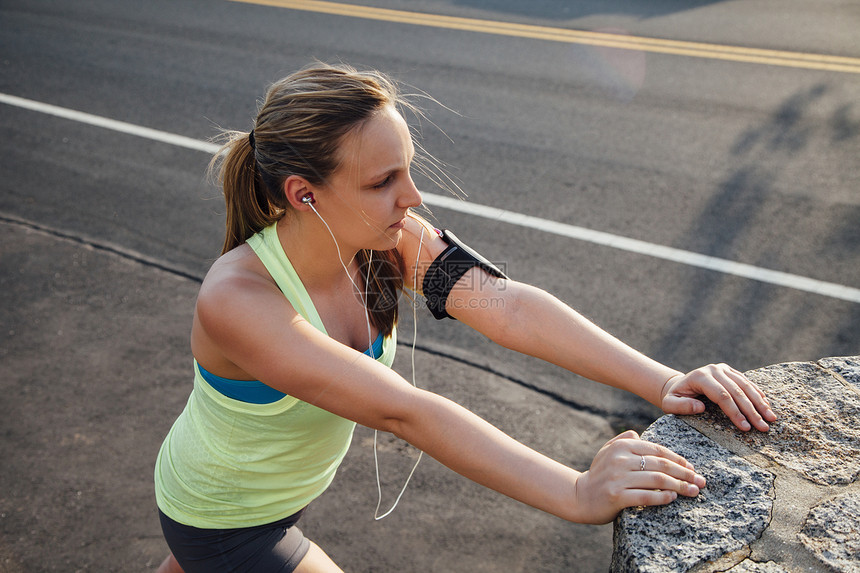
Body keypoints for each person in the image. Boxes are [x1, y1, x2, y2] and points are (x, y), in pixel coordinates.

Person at [153, 62, 776, 573]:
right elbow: (406, 411)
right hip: (224, 520)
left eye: (409, 168)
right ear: (303, 193)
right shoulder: (239, 299)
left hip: (271, 491)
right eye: (383, 180)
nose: (414, 196)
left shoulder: (388, 239)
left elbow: (504, 307)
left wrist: (664, 382)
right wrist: (576, 492)